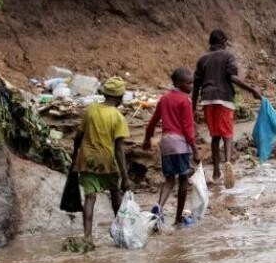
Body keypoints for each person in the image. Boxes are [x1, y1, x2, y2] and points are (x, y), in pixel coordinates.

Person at [192, 29, 262, 188]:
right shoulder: (227, 56)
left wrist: (193, 107)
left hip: (207, 100)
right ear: (223, 41)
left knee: (215, 136)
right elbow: (232, 77)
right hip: (224, 98)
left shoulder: (202, 59)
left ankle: (216, 172)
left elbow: (195, 85)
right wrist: (252, 90)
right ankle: (228, 162)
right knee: (227, 134)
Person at [71, 76, 132, 244]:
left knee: (90, 198)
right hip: (107, 161)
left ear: (105, 94)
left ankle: (88, 237)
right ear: (119, 97)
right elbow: (119, 149)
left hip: (87, 159)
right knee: (115, 194)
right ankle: (121, 232)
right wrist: (125, 178)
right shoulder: (118, 117)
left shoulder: (90, 110)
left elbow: (79, 135)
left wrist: (75, 153)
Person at [143, 67, 201, 227]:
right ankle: (177, 219)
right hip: (181, 145)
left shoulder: (164, 98)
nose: (192, 86)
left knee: (169, 180)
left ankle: (159, 208)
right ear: (179, 83)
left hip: (166, 143)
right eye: (189, 83)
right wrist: (195, 149)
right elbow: (188, 128)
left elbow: (153, 122)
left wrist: (147, 138)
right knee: (183, 180)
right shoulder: (185, 101)